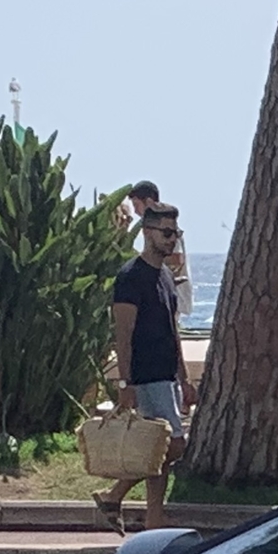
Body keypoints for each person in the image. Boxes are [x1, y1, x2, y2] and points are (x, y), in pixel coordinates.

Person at [98, 203, 192, 529]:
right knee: (170, 447)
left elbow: (172, 329)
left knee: (160, 450)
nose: (172, 240)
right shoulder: (130, 278)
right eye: (166, 233)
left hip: (167, 378)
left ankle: (142, 514)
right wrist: (126, 386)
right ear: (147, 232)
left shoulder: (166, 276)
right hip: (146, 378)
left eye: (175, 234)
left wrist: (185, 377)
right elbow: (122, 337)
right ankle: (122, 499)